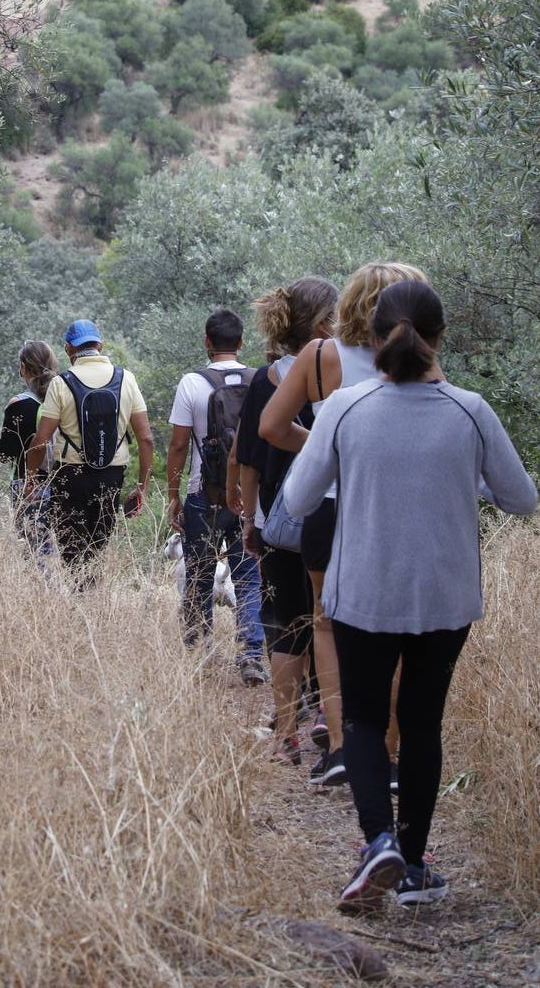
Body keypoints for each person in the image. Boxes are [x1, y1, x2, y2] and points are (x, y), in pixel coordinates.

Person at [283, 280, 536, 914]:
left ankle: (378, 843)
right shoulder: (470, 410)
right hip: (445, 597)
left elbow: (297, 501)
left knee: (365, 719)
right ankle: (417, 866)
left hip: (362, 590)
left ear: (370, 338)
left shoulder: (344, 407)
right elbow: (522, 499)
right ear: (439, 338)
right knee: (423, 724)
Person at [259, 260, 428, 787]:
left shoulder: (320, 356)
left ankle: (339, 749)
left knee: (327, 624)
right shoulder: (417, 361)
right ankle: (388, 753)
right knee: (398, 627)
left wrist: (328, 449)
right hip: (398, 507)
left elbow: (271, 426)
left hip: (331, 507)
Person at [227, 277, 338, 760]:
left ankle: (284, 735)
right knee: (329, 618)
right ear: (320, 324)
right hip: (334, 515)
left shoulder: (264, 380)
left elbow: (248, 457)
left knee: (284, 623)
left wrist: (249, 519)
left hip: (278, 519)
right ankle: (327, 718)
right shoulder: (339, 375)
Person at [166, 308, 266, 680]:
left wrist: (173, 494)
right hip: (248, 496)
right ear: (241, 343)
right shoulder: (259, 381)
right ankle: (252, 652)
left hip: (202, 494)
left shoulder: (191, 383)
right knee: (249, 575)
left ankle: (198, 650)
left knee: (200, 572)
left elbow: (178, 445)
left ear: (207, 342)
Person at [25, 320, 153, 588]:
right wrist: (142, 487)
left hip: (70, 476)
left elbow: (41, 440)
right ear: (100, 345)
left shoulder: (61, 383)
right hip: (112, 476)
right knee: (96, 548)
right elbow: (146, 438)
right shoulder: (126, 378)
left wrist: (30, 477)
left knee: (73, 549)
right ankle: (91, 599)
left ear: (68, 348)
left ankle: (82, 600)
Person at [0, 340, 60, 568]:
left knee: (33, 554)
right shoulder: (63, 399)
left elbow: (4, 454)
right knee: (60, 554)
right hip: (65, 485)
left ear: (23, 367)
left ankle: (43, 597)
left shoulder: (20, 404)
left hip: (27, 485)